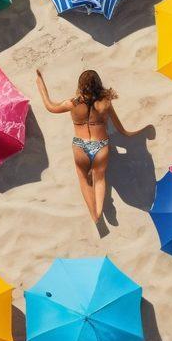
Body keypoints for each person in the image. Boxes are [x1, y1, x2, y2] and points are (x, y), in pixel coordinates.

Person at [35, 68, 151, 226]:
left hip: (80, 145)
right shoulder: (105, 104)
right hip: (100, 145)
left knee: (83, 179)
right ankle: (99, 209)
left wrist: (40, 83)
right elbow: (121, 129)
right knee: (99, 178)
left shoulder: (72, 103)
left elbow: (50, 106)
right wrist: (134, 134)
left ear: (80, 85)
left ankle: (95, 216)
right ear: (98, 84)